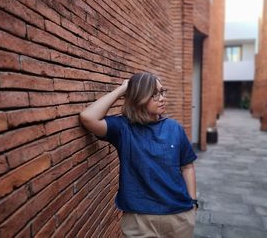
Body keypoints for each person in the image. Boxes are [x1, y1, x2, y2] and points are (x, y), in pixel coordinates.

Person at [79, 72, 198, 238]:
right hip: (139, 219)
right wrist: (123, 89)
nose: (162, 98)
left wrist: (193, 202)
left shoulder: (174, 128)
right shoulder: (123, 128)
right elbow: (88, 117)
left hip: (178, 216)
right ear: (139, 97)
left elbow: (187, 166)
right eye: (154, 94)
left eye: (162, 92)